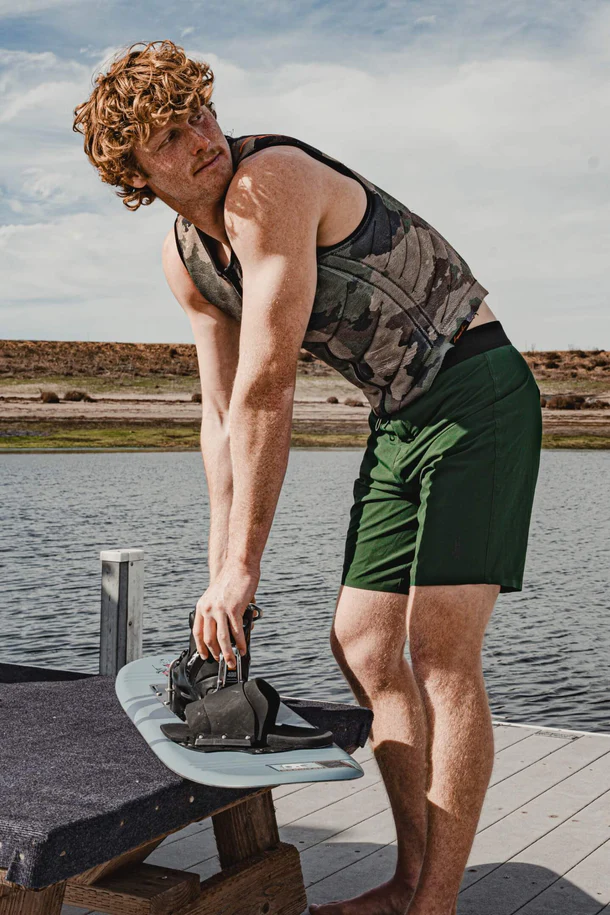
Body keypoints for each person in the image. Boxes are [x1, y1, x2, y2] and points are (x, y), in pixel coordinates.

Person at [73, 39, 542, 915]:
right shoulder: (187, 259)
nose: (201, 138)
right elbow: (221, 418)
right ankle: (407, 881)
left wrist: (245, 569)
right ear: (134, 174)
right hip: (399, 417)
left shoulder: (269, 183)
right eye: (169, 137)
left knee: (441, 653)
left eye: (200, 113)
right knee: (363, 645)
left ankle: (433, 905)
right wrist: (221, 577)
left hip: (478, 390)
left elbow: (268, 388)